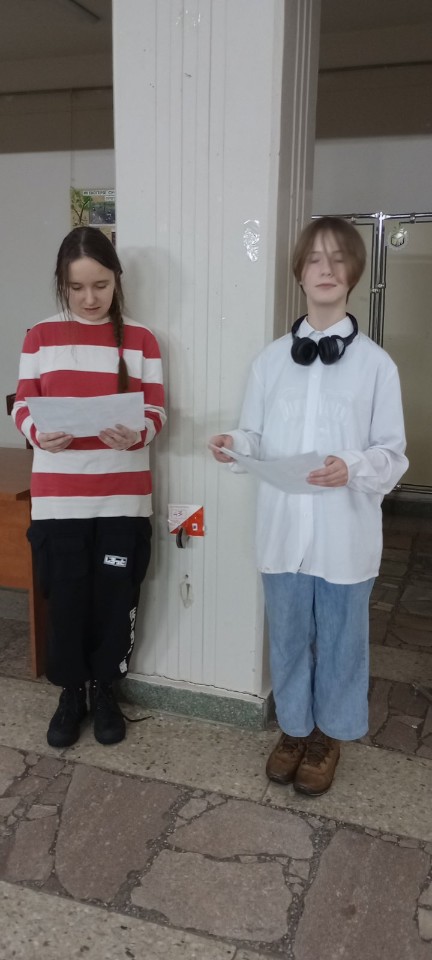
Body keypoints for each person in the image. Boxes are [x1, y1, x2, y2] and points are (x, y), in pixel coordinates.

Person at [209, 216, 408, 796]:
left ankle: (330, 736)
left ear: (354, 272)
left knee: (343, 639)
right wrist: (232, 444)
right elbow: (254, 435)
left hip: (345, 533)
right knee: (290, 634)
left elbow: (393, 454)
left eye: (338, 258)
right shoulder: (270, 361)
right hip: (282, 531)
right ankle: (294, 729)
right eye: (315, 258)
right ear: (299, 272)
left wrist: (354, 466)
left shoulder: (376, 365)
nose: (326, 268)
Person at [12, 226, 166, 749]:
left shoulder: (141, 339)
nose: (90, 298)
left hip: (123, 496)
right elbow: (22, 402)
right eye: (76, 288)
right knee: (66, 599)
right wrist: (37, 433)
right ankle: (70, 692)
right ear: (62, 284)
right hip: (59, 499)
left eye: (100, 285)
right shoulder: (39, 336)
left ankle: (105, 691)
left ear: (116, 279)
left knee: (115, 598)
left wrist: (138, 432)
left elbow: (157, 409)